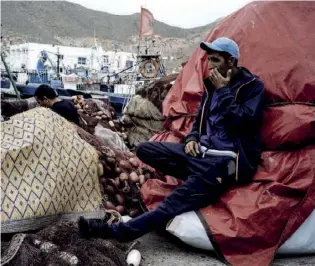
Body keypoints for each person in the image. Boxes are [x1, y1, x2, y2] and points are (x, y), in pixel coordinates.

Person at [78, 37, 265, 242]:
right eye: (209, 60)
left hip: (225, 163)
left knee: (170, 205)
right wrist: (192, 138)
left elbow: (243, 121)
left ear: (231, 62)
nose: (210, 66)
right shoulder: (211, 85)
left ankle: (118, 232)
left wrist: (224, 91)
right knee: (144, 150)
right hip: (200, 154)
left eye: (216, 60)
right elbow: (200, 120)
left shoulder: (252, 87)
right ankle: (196, 180)